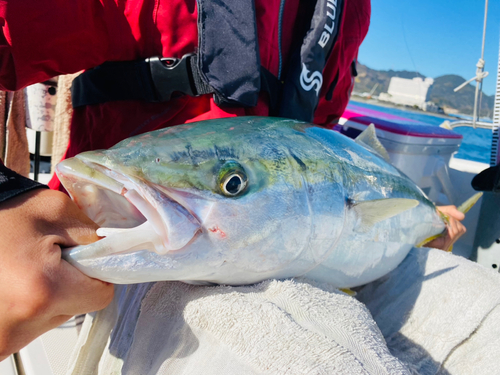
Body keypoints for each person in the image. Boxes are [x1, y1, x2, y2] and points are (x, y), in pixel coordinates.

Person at [0, 0, 464, 360]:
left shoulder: (346, 12)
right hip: (135, 268)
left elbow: (321, 143)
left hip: (271, 251)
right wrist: (8, 195)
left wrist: (428, 220)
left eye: (233, 183)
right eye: (233, 182)